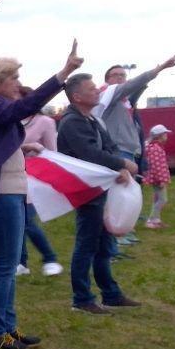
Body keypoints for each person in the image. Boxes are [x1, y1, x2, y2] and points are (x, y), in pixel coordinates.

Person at [0, 44, 85, 349]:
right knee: (4, 266)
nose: (18, 83)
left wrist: (20, 148)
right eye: (13, 78)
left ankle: (7, 327)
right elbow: (24, 107)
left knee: (7, 266)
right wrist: (64, 73)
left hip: (11, 193)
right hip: (2, 196)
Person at [57, 73, 140, 315]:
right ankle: (81, 299)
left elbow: (110, 146)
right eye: (92, 89)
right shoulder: (71, 122)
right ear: (77, 97)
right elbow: (90, 154)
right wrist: (122, 165)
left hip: (103, 188)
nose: (97, 92)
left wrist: (120, 165)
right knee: (87, 244)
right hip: (87, 190)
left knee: (105, 244)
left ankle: (111, 294)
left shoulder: (91, 119)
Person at [93, 54, 175, 247]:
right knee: (119, 193)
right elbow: (135, 83)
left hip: (128, 150)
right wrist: (160, 68)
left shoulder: (123, 101)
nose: (120, 78)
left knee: (125, 192)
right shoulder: (109, 93)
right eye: (115, 75)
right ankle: (117, 234)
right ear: (107, 80)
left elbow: (136, 88)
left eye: (123, 75)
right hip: (118, 150)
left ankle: (122, 230)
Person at [18, 86, 62, 277]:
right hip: (13, 175)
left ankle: (50, 258)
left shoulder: (45, 122)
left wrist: (37, 150)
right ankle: (21, 262)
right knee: (16, 221)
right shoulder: (13, 121)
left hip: (33, 177)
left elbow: (53, 153)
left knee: (27, 221)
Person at [141, 123, 172, 228]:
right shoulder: (155, 149)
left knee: (157, 198)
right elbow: (156, 165)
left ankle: (156, 219)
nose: (166, 136)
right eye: (165, 134)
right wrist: (161, 180)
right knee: (163, 199)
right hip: (158, 179)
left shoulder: (155, 147)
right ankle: (151, 220)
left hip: (157, 178)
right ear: (159, 136)